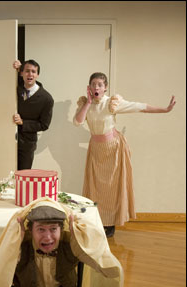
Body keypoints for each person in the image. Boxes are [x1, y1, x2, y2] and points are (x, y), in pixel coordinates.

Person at [73, 72, 176, 238]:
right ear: (89, 87)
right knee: (95, 187)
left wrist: (164, 109)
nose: (96, 87)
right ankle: (97, 221)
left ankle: (110, 223)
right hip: (96, 149)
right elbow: (77, 122)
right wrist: (88, 103)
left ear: (105, 87)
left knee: (112, 188)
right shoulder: (86, 104)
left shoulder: (111, 103)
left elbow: (139, 107)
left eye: (100, 84)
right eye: (93, 84)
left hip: (113, 148)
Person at [12, 59, 54, 170]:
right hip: (8, 139)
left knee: (23, 176)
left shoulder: (47, 99)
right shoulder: (15, 87)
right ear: (21, 73)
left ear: (37, 75)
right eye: (27, 71)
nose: (30, 74)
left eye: (33, 71)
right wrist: (18, 66)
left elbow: (44, 125)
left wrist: (23, 123)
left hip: (27, 143)